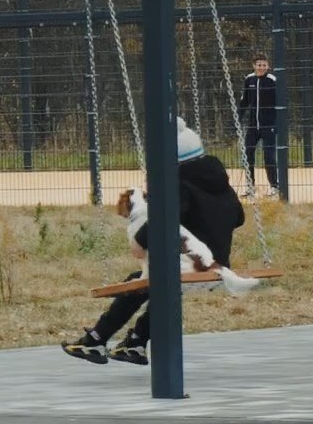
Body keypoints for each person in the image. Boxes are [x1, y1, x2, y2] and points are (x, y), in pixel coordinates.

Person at [63, 118, 247, 364]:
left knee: (143, 283)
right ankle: (135, 342)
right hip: (217, 265)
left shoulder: (180, 185)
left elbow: (164, 220)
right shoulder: (220, 183)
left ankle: (97, 340)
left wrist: (140, 241)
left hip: (191, 266)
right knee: (160, 286)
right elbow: (239, 218)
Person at [237, 53, 281, 200]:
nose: (261, 67)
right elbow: (244, 102)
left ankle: (274, 186)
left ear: (268, 66)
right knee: (248, 153)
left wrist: (277, 122)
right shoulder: (249, 79)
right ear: (254, 66)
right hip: (252, 126)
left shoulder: (272, 80)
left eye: (264, 65)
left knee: (269, 156)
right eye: (259, 65)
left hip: (269, 125)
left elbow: (281, 102)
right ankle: (250, 186)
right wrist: (238, 118)